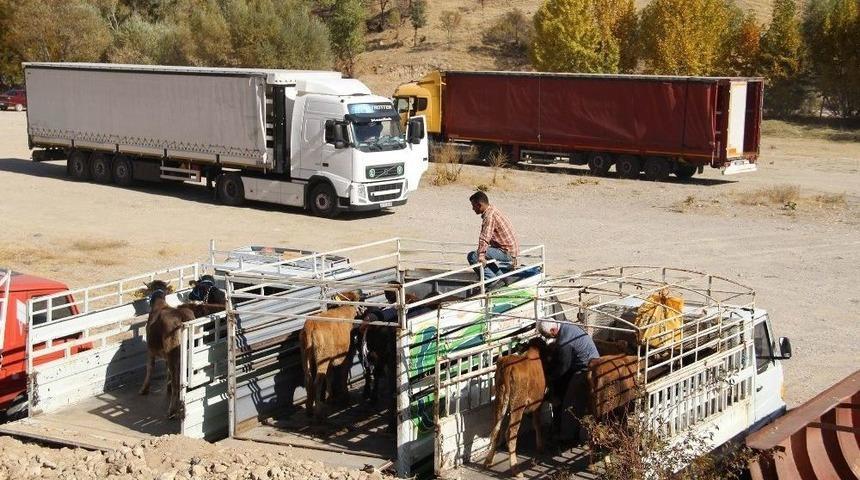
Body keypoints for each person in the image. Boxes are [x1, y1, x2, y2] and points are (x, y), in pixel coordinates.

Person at [538, 318, 599, 444]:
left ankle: (566, 435)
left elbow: (563, 367)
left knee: (569, 401)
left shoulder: (565, 342)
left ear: (553, 330)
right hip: (594, 359)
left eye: (548, 335)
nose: (548, 338)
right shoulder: (566, 325)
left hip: (585, 369)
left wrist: (549, 377)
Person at [466, 191, 520, 281]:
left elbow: (484, 237)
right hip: (510, 249)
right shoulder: (492, 209)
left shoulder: (489, 217)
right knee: (484, 255)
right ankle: (501, 278)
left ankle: (492, 281)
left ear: (479, 205)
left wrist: (481, 256)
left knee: (473, 256)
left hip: (506, 252)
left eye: (473, 206)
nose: (472, 208)